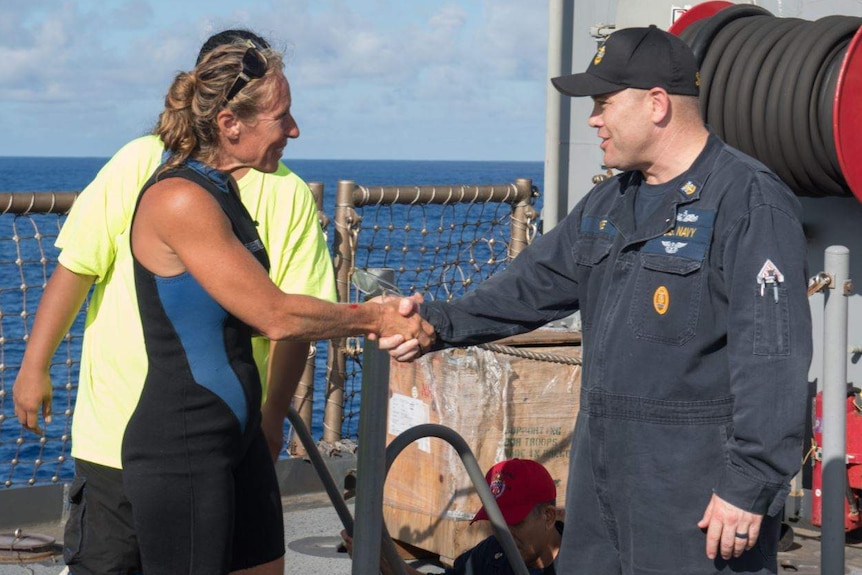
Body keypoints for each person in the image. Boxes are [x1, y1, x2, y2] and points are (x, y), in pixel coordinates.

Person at [384, 26, 812, 575]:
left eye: (603, 102)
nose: (592, 119)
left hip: (694, 495)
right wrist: (436, 323)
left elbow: (773, 358)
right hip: (599, 489)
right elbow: (528, 287)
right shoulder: (610, 202)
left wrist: (749, 484)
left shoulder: (749, 201)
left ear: (657, 104)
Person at [12, 31, 432, 575]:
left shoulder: (226, 190)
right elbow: (275, 315)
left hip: (237, 441)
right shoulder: (179, 197)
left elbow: (263, 319)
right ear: (230, 124)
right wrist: (374, 316)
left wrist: (272, 415)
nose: (295, 129)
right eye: (281, 116)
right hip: (180, 446)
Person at [341, 458, 562, 574]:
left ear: (548, 517)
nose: (504, 534)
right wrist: (385, 561)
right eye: (496, 522)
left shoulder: (585, 562)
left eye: (514, 522)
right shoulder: (492, 553)